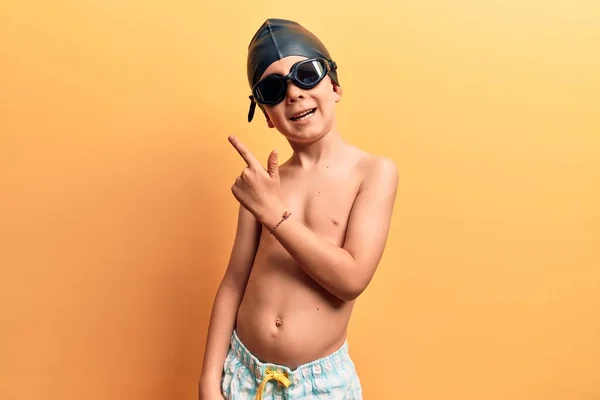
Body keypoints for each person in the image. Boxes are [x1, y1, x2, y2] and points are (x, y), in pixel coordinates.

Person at [199, 18, 399, 399]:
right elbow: (233, 283)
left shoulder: (373, 172)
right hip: (243, 373)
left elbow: (351, 279)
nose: (293, 93)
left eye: (305, 74)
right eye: (273, 89)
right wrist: (209, 380)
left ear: (335, 86)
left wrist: (274, 214)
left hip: (319, 386)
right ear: (267, 116)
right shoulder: (264, 183)